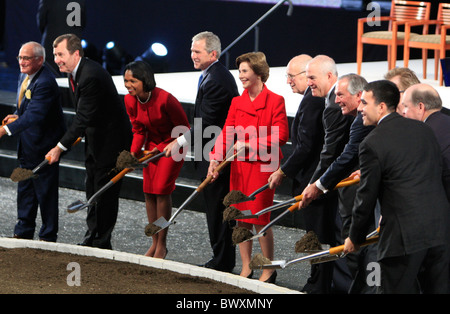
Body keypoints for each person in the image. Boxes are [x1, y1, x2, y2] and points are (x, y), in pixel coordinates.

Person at [344, 80, 450, 294]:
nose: (361, 108)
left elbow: (366, 198)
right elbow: (428, 174)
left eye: (365, 102)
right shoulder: (423, 129)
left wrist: (354, 237)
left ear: (381, 106)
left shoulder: (372, 143)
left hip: (403, 238)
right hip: (439, 231)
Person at [46, 34, 132, 250]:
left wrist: (59, 148)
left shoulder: (90, 76)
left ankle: (101, 242)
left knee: (104, 193)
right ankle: (92, 236)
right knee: (92, 189)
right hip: (96, 141)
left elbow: (83, 118)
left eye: (61, 54)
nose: (56, 59)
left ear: (76, 53)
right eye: (55, 55)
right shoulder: (76, 72)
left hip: (111, 144)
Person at [208, 52, 289, 283]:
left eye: (244, 71)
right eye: (240, 71)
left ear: (258, 73)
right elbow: (227, 133)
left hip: (264, 166)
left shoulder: (275, 100)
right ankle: (246, 266)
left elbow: (282, 135)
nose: (240, 76)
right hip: (241, 167)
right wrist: (215, 157)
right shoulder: (237, 102)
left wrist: (250, 143)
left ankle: (268, 269)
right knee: (240, 217)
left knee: (260, 218)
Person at [164, 31, 239, 272]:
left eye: (197, 51)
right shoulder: (212, 75)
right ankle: (221, 258)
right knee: (215, 209)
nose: (192, 55)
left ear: (213, 54)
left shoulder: (217, 79)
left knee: (218, 210)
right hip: (211, 151)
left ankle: (223, 261)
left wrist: (180, 142)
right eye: (191, 51)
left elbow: (207, 122)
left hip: (217, 155)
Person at [299, 73, 377, 293]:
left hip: (367, 201)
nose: (336, 100)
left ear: (359, 95)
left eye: (341, 94)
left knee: (361, 251)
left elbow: (344, 157)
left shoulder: (362, 122)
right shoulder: (357, 119)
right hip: (358, 193)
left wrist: (318, 185)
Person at [299, 55, 355, 294]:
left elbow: (329, 153)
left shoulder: (333, 105)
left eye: (312, 77)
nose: (308, 82)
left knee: (338, 237)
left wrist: (315, 184)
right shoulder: (329, 100)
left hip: (342, 182)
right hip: (337, 179)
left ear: (330, 76)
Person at [123, 61, 190, 258]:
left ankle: (162, 243)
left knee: (161, 190)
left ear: (145, 80)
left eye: (133, 81)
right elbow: (138, 129)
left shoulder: (166, 99)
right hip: (151, 147)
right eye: (126, 80)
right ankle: (154, 241)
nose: (128, 85)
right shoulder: (130, 100)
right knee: (148, 192)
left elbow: (185, 129)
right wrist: (133, 154)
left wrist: (166, 147)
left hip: (173, 145)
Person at [0, 41, 66, 241]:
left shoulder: (45, 82)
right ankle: (23, 230)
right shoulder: (26, 74)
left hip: (45, 146)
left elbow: (34, 116)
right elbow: (25, 109)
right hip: (28, 144)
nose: (21, 62)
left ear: (40, 60)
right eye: (20, 57)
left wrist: (4, 130)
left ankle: (48, 236)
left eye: (26, 58)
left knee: (45, 193)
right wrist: (15, 115)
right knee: (25, 188)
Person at [268, 54, 325, 196]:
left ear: (307, 75)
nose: (288, 81)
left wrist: (283, 171)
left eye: (291, 76)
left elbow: (306, 145)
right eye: (287, 76)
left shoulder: (312, 100)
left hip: (310, 178)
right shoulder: (311, 98)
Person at [401, 83, 450, 202]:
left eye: (406, 106)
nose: (403, 112)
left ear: (420, 107)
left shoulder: (422, 135)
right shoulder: (445, 121)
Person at [37, 0, 86, 77]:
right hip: (72, 45)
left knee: (50, 78)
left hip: (52, 44)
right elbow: (82, 23)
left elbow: (41, 21)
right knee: (72, 80)